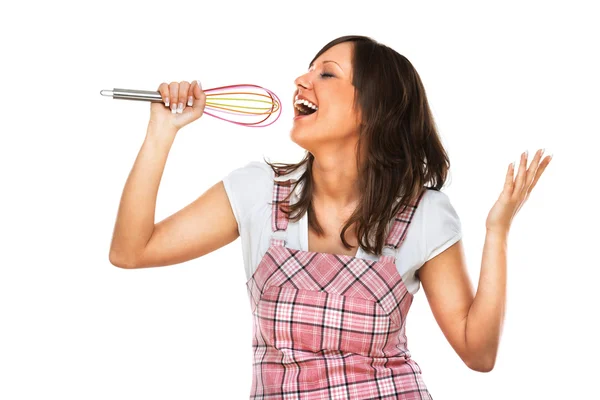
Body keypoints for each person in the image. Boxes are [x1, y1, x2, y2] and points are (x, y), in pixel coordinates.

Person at [109, 35, 552, 399]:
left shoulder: (423, 215)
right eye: (309, 69)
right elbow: (131, 251)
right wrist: (161, 132)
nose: (301, 80)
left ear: (372, 109)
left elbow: (479, 353)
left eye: (327, 73)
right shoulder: (258, 193)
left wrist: (498, 231)